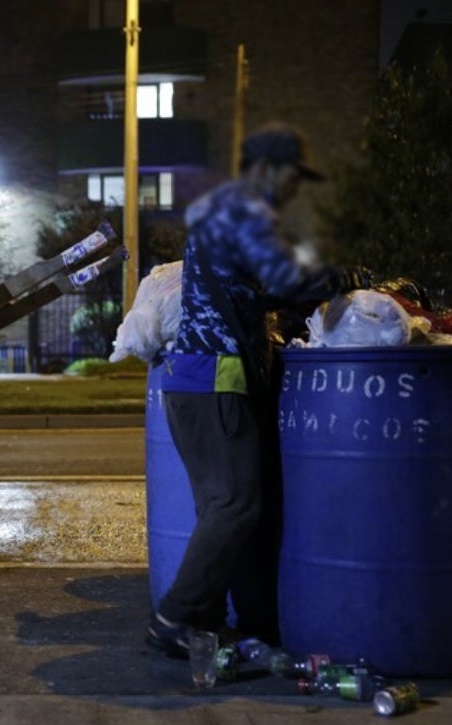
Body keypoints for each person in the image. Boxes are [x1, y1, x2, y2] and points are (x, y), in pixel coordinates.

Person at [146, 122, 369, 657]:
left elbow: (260, 287)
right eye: (293, 175)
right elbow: (287, 279)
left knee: (221, 508)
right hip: (214, 382)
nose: (296, 188)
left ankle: (199, 619)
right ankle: (174, 618)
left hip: (196, 382)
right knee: (236, 505)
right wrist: (340, 279)